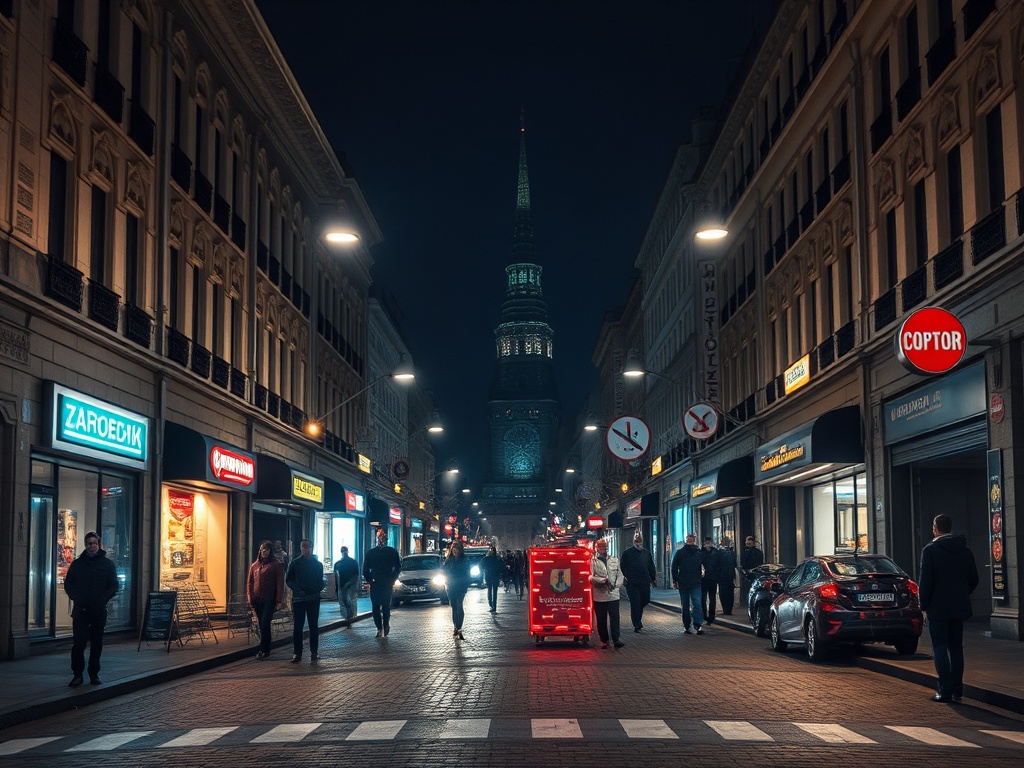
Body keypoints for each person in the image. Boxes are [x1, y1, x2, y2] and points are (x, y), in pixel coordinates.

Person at [919, 513, 979, 703]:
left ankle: (945, 690)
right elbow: (974, 579)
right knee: (956, 647)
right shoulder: (965, 550)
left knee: (940, 647)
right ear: (950, 528)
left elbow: (926, 581)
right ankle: (957, 689)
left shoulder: (930, 550)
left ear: (935, 528)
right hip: (958, 606)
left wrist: (923, 606)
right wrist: (962, 594)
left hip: (938, 608)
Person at [63, 532, 119, 686]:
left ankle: (94, 673)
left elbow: (114, 585)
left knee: (96, 643)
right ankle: (77, 674)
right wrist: (76, 597)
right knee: (79, 642)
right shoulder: (78, 564)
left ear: (98, 545)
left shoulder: (107, 564)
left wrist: (104, 598)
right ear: (85, 545)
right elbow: (69, 584)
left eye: (94, 543)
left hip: (98, 609)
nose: (92, 546)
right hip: (81, 610)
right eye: (89, 543)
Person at [285, 539, 325, 663]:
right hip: (299, 599)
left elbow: (320, 580)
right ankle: (297, 653)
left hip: (313, 598)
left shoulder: (317, 564)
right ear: (301, 548)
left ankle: (314, 652)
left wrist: (318, 589)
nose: (306, 549)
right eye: (304, 547)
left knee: (313, 625)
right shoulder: (295, 563)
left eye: (308, 547)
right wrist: (297, 589)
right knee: (298, 626)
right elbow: (289, 579)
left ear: (311, 548)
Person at [247, 540, 285, 659]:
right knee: (261, 625)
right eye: (263, 550)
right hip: (257, 600)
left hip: (269, 599)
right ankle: (264, 648)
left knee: (264, 624)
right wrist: (250, 598)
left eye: (267, 550)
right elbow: (250, 583)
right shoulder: (255, 566)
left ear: (270, 551)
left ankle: (264, 649)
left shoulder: (276, 565)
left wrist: (278, 600)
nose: (265, 552)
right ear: (260, 551)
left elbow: (280, 583)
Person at [363, 527, 401, 637]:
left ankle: (383, 626)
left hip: (382, 582)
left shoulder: (388, 552)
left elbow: (397, 567)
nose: (381, 540)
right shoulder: (375, 552)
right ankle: (381, 627)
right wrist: (371, 579)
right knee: (380, 606)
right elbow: (365, 569)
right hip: (380, 582)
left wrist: (371, 579)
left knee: (382, 606)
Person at [590, 538, 625, 649]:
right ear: (596, 548)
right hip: (600, 596)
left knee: (615, 617)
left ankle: (616, 639)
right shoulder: (592, 561)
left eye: (604, 546)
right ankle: (604, 640)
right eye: (600, 546)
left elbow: (620, 574)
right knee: (601, 619)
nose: (602, 548)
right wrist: (602, 581)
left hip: (613, 594)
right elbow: (591, 577)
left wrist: (617, 585)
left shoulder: (614, 560)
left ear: (607, 547)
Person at [619, 531, 657, 632]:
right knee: (635, 602)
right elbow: (622, 567)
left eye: (640, 541)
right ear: (633, 541)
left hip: (644, 581)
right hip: (632, 582)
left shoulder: (646, 553)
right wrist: (624, 577)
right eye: (636, 541)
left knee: (645, 600)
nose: (638, 543)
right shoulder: (627, 553)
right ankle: (637, 623)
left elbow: (651, 566)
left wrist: (653, 578)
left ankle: (637, 615)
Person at [671, 533, 705, 635]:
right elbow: (674, 566)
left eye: (692, 539)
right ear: (686, 540)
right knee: (685, 604)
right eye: (688, 539)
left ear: (694, 540)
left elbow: (704, 565)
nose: (690, 541)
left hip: (696, 582)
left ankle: (698, 624)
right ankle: (687, 625)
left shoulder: (699, 553)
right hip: (684, 582)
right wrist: (675, 580)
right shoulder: (680, 553)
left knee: (697, 603)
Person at [442, 540, 472, 640]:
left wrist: (466, 583)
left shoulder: (464, 560)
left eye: (457, 550)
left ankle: (459, 627)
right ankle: (455, 626)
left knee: (459, 605)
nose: (456, 552)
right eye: (454, 550)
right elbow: (443, 570)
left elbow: (468, 573)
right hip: (451, 586)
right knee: (454, 606)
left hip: (460, 585)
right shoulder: (448, 560)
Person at [333, 545, 360, 625]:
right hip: (346, 585)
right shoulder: (351, 562)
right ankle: (349, 616)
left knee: (347, 601)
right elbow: (356, 575)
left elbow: (356, 575)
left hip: (346, 585)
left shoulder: (338, 564)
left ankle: (349, 617)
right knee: (347, 601)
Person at [716, 536, 738, 615]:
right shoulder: (731, 552)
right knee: (730, 593)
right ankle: (729, 610)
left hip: (722, 576)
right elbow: (735, 564)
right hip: (730, 576)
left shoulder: (718, 552)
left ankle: (725, 610)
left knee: (723, 593)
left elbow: (716, 565)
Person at [699, 537, 719, 624]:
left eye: (709, 542)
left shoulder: (716, 552)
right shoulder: (700, 552)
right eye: (706, 542)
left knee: (712, 598)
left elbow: (719, 565)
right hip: (703, 579)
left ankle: (711, 617)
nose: (708, 544)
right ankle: (704, 615)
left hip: (713, 578)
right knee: (703, 598)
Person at [740, 535, 764, 606]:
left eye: (749, 543)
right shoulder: (748, 552)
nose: (748, 544)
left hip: (752, 574)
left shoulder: (747, 552)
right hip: (752, 574)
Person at [481, 544, 505, 612]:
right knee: (494, 591)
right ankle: (494, 606)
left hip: (489, 575)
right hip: (495, 575)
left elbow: (481, 565)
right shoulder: (498, 558)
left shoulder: (486, 558)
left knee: (490, 590)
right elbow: (503, 566)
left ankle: (491, 604)